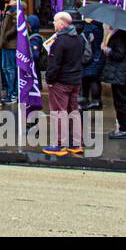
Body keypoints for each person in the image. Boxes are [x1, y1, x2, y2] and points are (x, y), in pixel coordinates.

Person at [43, 11, 85, 157]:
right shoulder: (79, 39)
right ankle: (76, 143)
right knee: (74, 111)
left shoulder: (60, 41)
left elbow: (54, 64)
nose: (54, 24)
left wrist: (49, 80)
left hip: (61, 82)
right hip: (75, 80)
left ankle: (60, 144)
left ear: (62, 23)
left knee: (59, 112)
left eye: (55, 21)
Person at [101, 28, 126, 139]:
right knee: (119, 101)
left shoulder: (120, 35)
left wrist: (106, 49)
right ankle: (121, 127)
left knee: (120, 102)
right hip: (118, 72)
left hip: (119, 73)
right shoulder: (119, 34)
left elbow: (119, 54)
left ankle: (123, 129)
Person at [79, 18, 105, 111]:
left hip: (89, 57)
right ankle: (96, 100)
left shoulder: (90, 28)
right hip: (98, 57)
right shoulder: (99, 27)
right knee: (94, 79)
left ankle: (88, 100)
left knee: (88, 79)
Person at [0, 0, 20, 104]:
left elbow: (17, 25)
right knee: (5, 68)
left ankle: (13, 94)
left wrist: (6, 35)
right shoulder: (8, 8)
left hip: (11, 44)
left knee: (10, 69)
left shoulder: (15, 8)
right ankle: (10, 92)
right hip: (5, 44)